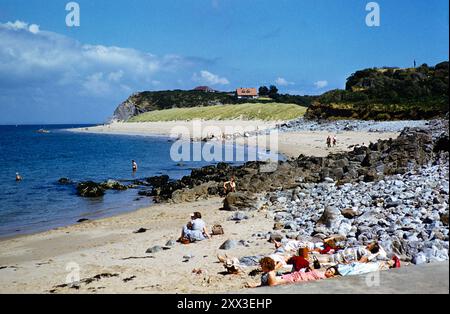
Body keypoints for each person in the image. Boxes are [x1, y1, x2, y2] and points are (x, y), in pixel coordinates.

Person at [246, 257, 337, 288]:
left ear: (332, 275)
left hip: (296, 278)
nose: (329, 271)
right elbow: (311, 271)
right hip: (296, 274)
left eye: (331, 272)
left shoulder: (324, 279)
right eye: (329, 269)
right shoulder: (321, 271)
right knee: (279, 276)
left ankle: (269, 275)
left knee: (277, 279)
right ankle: (256, 285)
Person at [313, 241, 387, 265]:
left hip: (340, 259)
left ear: (372, 247)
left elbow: (360, 262)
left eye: (371, 244)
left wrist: (349, 262)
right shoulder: (364, 247)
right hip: (339, 254)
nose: (369, 243)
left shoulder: (368, 253)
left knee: (317, 261)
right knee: (315, 259)